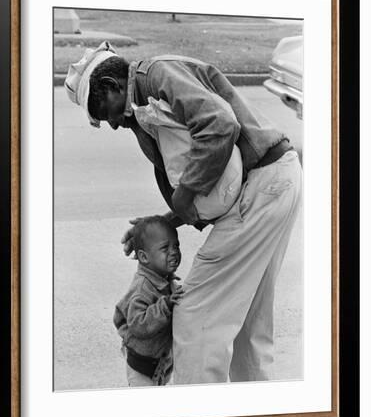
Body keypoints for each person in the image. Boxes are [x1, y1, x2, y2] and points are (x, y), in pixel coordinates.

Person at [65, 40, 302, 384]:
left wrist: (185, 195)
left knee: (195, 318)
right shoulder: (144, 99)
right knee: (248, 324)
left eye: (106, 113)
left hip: (261, 189)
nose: (113, 124)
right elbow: (205, 184)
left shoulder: (157, 74)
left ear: (111, 86)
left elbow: (219, 125)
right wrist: (166, 220)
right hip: (276, 182)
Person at [112, 216, 184, 386]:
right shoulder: (142, 289)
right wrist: (165, 305)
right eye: (165, 248)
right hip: (141, 366)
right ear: (144, 258)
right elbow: (138, 324)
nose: (174, 252)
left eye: (176, 246)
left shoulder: (163, 279)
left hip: (160, 361)